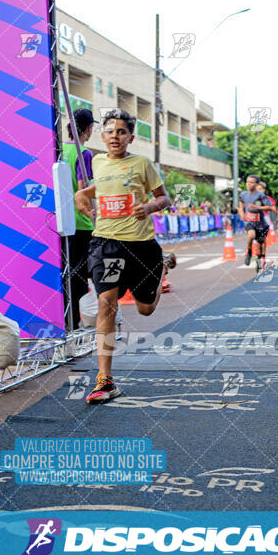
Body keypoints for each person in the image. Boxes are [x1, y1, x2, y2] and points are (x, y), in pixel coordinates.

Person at [75, 109, 176, 403]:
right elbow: (103, 188)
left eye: (121, 132)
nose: (115, 136)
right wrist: (81, 196)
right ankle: (104, 380)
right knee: (107, 303)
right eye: (110, 131)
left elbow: (164, 197)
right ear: (102, 135)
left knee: (145, 309)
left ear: (131, 137)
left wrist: (149, 208)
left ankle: (163, 268)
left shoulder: (142, 164)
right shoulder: (97, 161)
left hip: (141, 246)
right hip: (106, 244)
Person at [62, 109, 97, 329]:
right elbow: (83, 188)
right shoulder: (84, 153)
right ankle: (76, 323)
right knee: (80, 275)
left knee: (64, 272)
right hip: (80, 222)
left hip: (60, 222)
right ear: (88, 128)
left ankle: (65, 320)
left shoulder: (58, 150)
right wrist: (93, 215)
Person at [238, 174, 276, 269]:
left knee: (260, 243)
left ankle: (260, 258)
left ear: (256, 184)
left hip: (261, 223)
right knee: (251, 235)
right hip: (249, 221)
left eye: (251, 182)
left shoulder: (261, 196)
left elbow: (272, 208)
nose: (249, 184)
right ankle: (249, 252)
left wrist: (257, 207)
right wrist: (242, 212)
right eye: (247, 182)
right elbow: (240, 203)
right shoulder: (243, 194)